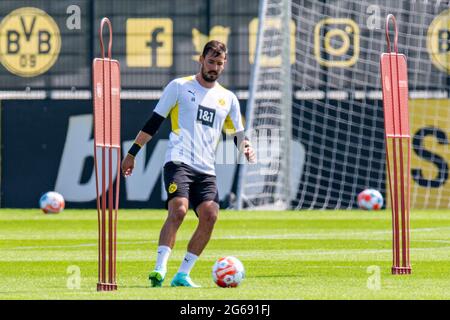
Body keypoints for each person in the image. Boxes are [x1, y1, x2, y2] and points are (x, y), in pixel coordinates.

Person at [121, 40, 256, 288]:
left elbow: (236, 133)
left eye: (219, 63)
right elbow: (153, 123)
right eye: (211, 61)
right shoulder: (179, 87)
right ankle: (159, 269)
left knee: (210, 215)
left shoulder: (228, 99)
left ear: (224, 65)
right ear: (201, 59)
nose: (214, 67)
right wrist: (132, 153)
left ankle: (182, 274)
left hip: (206, 169)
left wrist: (245, 146)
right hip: (178, 161)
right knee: (180, 210)